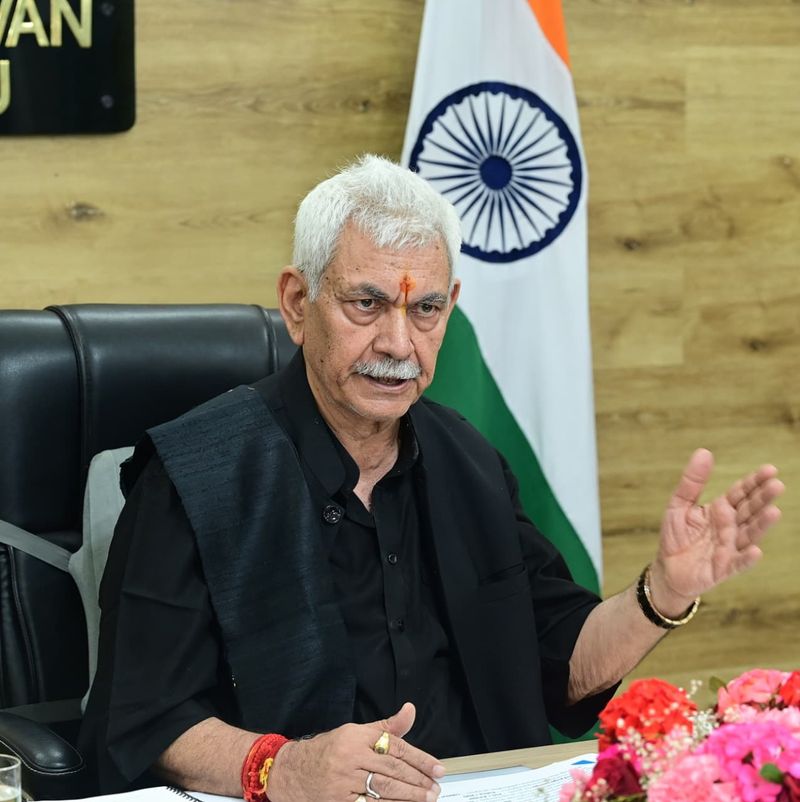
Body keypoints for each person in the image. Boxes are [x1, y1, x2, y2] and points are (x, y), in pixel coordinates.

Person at [79, 155, 784, 802]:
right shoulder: (197, 474)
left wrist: (663, 592)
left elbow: (561, 663)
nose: (398, 344)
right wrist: (284, 767)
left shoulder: (466, 458)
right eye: (366, 304)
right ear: (297, 303)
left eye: (425, 309)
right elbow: (145, 718)